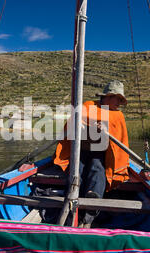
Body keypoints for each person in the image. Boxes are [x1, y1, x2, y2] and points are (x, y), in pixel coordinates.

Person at [53, 80, 130, 228]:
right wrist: (86, 126)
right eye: (118, 99)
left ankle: (90, 210)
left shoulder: (118, 115)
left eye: (121, 100)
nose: (119, 103)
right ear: (109, 96)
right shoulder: (88, 106)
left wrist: (105, 131)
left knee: (97, 168)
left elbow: (118, 140)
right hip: (80, 150)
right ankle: (70, 204)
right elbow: (73, 125)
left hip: (103, 154)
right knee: (77, 169)